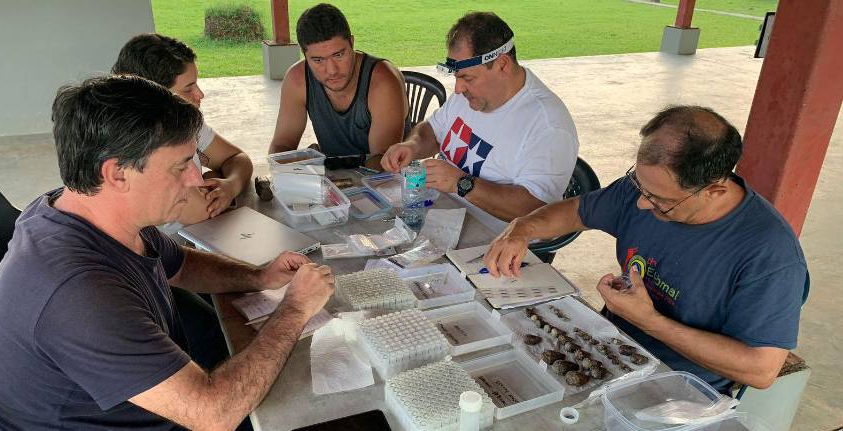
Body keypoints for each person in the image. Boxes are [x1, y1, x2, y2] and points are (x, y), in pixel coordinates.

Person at [0, 75, 335, 431]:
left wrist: (260, 276)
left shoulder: (91, 212)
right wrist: (293, 310)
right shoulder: (77, 291)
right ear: (117, 173)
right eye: (179, 167)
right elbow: (214, 414)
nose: (197, 178)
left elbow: (181, 263)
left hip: (142, 425)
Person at [484, 105, 807, 392]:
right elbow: (576, 211)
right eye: (639, 185)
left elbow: (761, 369)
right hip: (602, 348)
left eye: (660, 200)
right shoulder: (648, 188)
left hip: (675, 388)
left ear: (715, 191)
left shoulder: (769, 254)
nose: (641, 202)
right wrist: (523, 228)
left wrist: (649, 321)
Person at [381, 11, 579, 233]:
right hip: (441, 219)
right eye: (457, 77)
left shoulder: (547, 125)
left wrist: (461, 184)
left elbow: (536, 208)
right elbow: (433, 130)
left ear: (502, 64)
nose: (457, 89)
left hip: (495, 243)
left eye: (467, 78)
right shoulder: (471, 95)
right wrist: (413, 145)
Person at [113, 33, 253, 227]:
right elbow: (201, 212)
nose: (200, 94)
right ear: (152, 96)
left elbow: (237, 158)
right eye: (188, 89)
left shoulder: (184, 121)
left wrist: (230, 184)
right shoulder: (144, 143)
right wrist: (213, 180)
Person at [269, 3, 408, 157]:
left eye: (338, 55)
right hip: (332, 176)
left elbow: (383, 165)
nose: (332, 70)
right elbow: (281, 146)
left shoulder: (382, 82)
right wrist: (302, 160)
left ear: (352, 43)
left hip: (383, 178)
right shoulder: (297, 79)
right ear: (304, 55)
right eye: (318, 60)